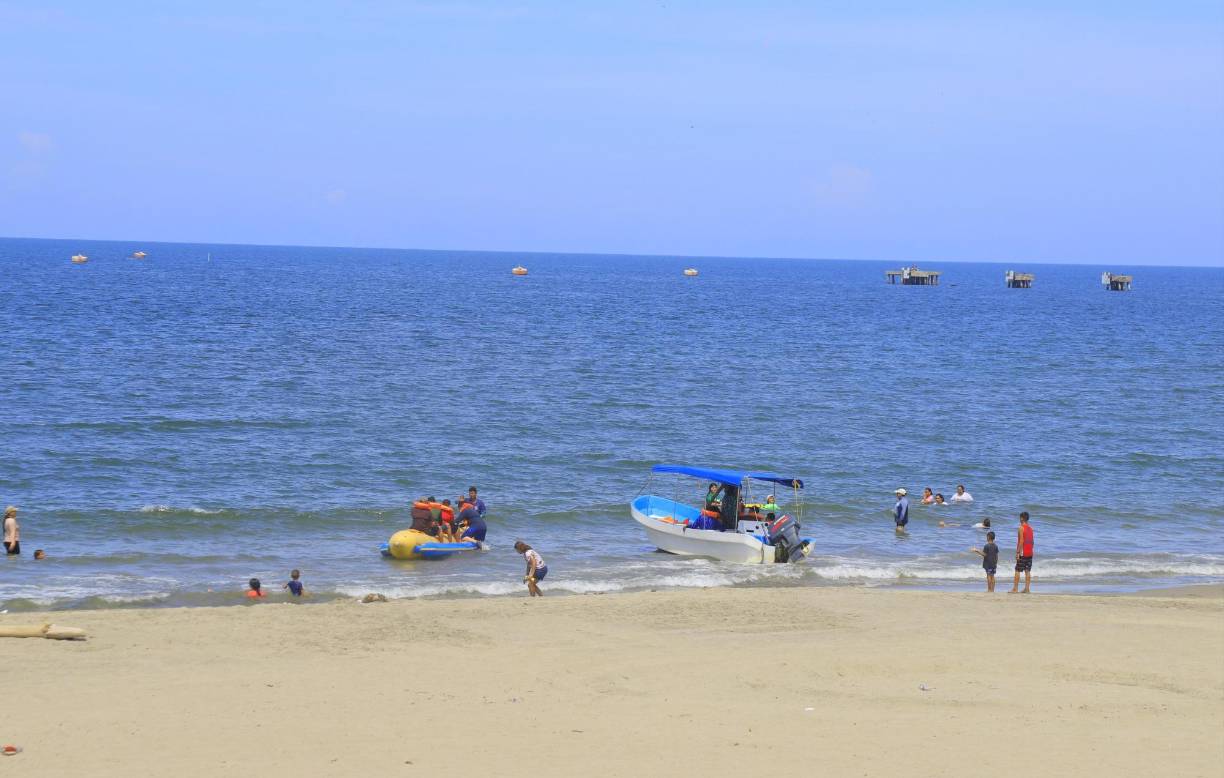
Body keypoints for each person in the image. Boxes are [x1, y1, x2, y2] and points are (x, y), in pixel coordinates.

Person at [1010, 512, 1034, 593]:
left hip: (1023, 552)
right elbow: (1032, 541)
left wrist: (1017, 552)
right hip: (1030, 552)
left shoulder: (1021, 528)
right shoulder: (1031, 528)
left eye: (1020, 517)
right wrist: (1030, 550)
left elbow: (1021, 541)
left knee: (1017, 569)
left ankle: (1015, 589)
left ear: (1022, 518)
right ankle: (1027, 589)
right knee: (1027, 571)